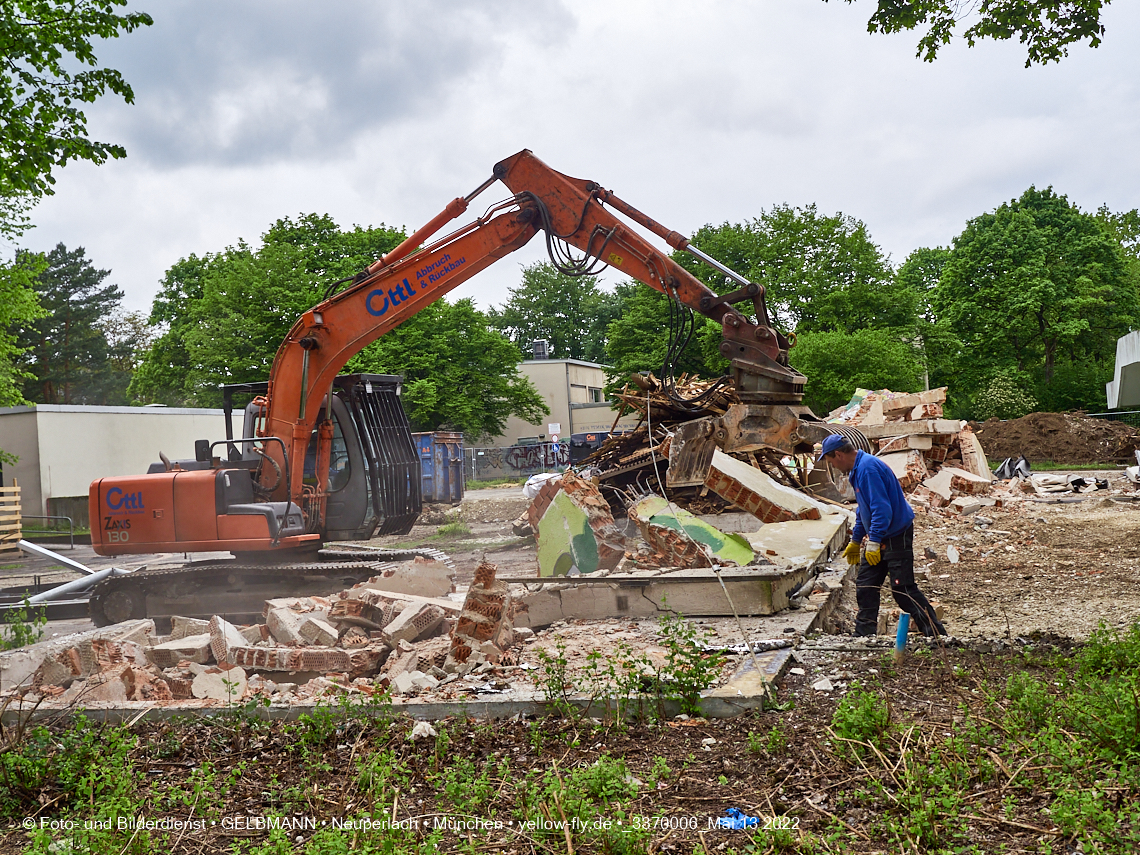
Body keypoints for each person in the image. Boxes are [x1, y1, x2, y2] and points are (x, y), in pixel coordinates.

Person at [817, 433, 947, 637]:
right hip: (881, 534)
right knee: (866, 585)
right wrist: (856, 540)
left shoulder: (868, 469)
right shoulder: (857, 470)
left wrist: (875, 540)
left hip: (895, 534)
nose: (832, 466)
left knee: (903, 589)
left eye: (831, 461)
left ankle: (936, 635)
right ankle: (864, 636)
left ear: (838, 455)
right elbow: (864, 510)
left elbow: (882, 509)